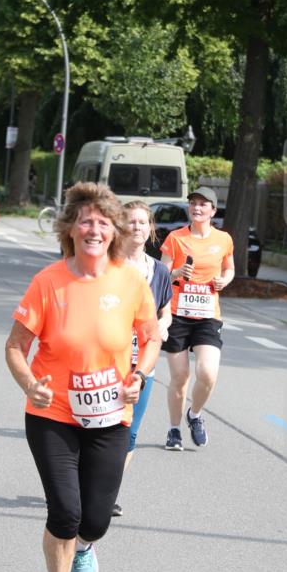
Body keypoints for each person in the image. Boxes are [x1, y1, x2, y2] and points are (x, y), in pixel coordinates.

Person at [4, 183, 161, 572]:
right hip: (52, 415)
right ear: (70, 229)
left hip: (110, 415)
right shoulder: (48, 282)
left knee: (94, 519)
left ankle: (86, 547)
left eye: (103, 222)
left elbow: (150, 336)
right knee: (65, 513)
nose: (95, 229)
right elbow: (16, 346)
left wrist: (139, 375)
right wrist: (30, 385)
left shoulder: (130, 281)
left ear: (113, 232)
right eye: (86, 221)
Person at [160, 186, 234, 450]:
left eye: (204, 204)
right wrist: (178, 271)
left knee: (208, 373)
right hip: (178, 315)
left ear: (213, 211)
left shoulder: (223, 239)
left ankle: (195, 414)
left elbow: (229, 268)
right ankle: (173, 430)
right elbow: (162, 275)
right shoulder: (175, 238)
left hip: (207, 317)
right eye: (193, 203)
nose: (197, 208)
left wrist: (224, 280)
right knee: (180, 377)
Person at [112, 200, 172, 516]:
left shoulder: (159, 271)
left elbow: (166, 311)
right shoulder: (109, 265)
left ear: (151, 229)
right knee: (96, 426)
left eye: (142, 222)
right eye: (131, 221)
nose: (137, 226)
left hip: (142, 362)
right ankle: (85, 483)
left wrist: (163, 324)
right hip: (106, 361)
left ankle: (107, 493)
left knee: (130, 430)